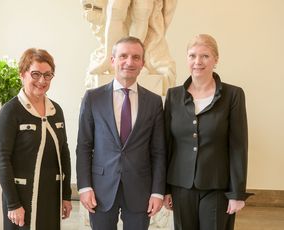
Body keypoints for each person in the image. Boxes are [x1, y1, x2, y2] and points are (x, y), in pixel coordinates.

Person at [76, 36, 167, 230]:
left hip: (140, 189)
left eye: (136, 57)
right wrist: (84, 187)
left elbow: (159, 151)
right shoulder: (93, 98)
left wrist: (157, 192)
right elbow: (84, 147)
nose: (129, 62)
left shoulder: (154, 102)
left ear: (142, 63)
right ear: (113, 60)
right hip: (100, 190)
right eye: (123, 56)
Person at [163, 34, 252, 230]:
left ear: (216, 60)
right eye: (192, 56)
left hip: (217, 187)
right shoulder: (173, 96)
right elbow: (166, 146)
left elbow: (238, 147)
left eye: (205, 56)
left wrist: (237, 193)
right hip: (180, 186)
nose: (197, 62)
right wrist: (165, 189)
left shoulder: (233, 95)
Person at [0, 48, 72, 230]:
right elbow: (2, 161)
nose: (42, 81)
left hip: (51, 197)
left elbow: (64, 153)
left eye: (47, 75)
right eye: (35, 74)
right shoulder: (10, 112)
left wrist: (66, 195)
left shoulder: (56, 110)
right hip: (21, 198)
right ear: (22, 74)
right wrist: (13, 204)